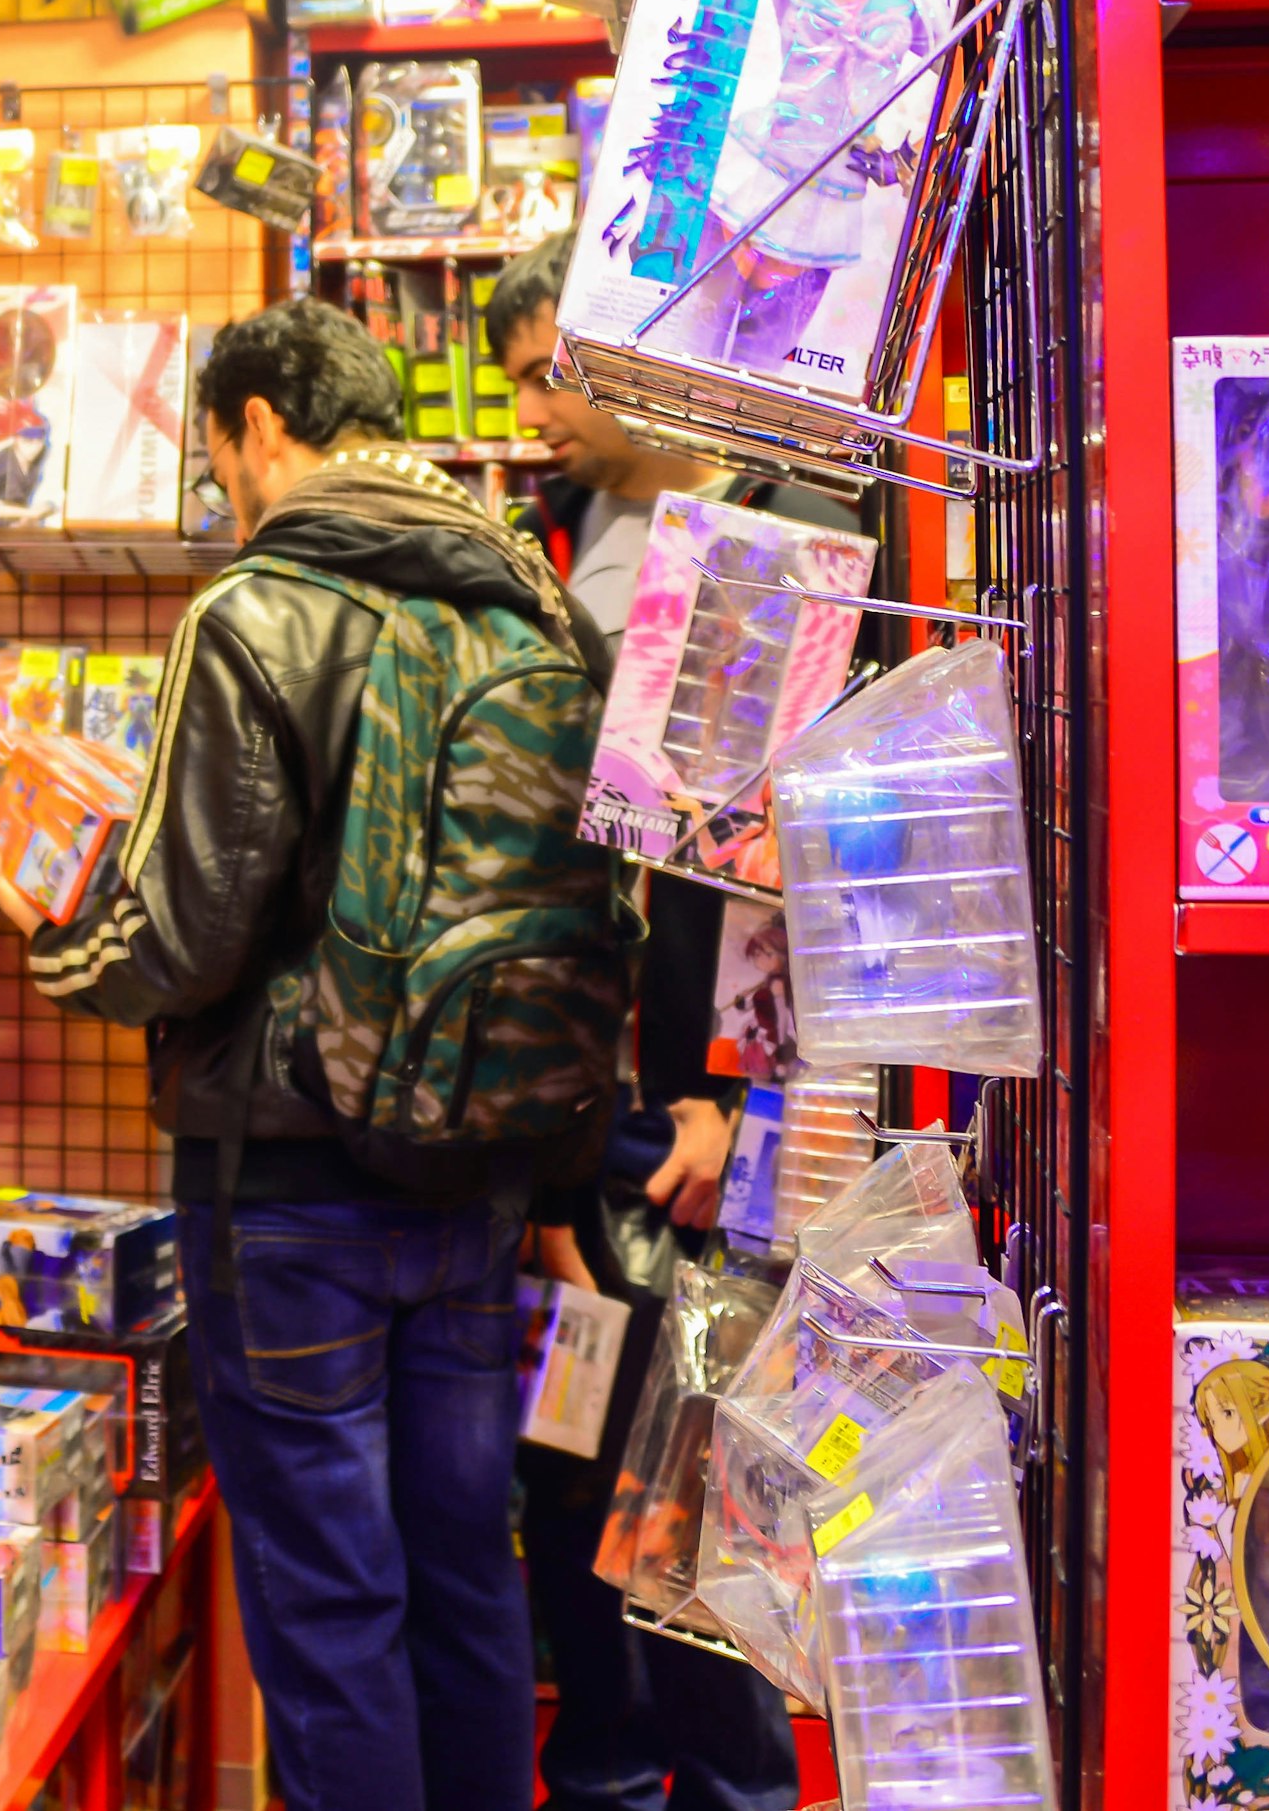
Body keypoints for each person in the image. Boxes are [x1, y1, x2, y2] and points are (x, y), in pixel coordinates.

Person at [0, 294, 620, 1811]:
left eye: (215, 461)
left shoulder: (254, 611)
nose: (221, 493)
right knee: (467, 1580)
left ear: (258, 426)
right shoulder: (526, 595)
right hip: (476, 1162)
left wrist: (51, 926)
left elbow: (187, 939)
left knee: (333, 1613)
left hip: (289, 1189)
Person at [487, 231, 834, 1811]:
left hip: (711, 1126)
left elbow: (796, 867)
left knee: (702, 1529)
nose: (540, 411)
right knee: (579, 1509)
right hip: (585, 1121)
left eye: (558, 374)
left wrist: (734, 1095)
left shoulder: (783, 531)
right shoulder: (556, 540)